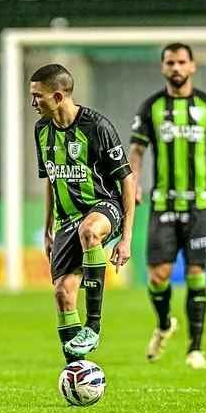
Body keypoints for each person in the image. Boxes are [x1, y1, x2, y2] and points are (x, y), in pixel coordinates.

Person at [128, 43, 206, 370]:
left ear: (192, 66)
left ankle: (195, 349)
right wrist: (133, 183)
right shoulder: (151, 107)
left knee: (197, 272)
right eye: (170, 62)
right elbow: (137, 152)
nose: (176, 68)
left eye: (182, 62)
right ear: (163, 67)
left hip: (200, 206)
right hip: (162, 204)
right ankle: (164, 323)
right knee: (159, 275)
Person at [30, 63, 136, 363]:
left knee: (89, 231)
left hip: (104, 206)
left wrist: (126, 238)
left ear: (59, 96)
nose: (33, 103)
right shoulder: (41, 131)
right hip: (66, 220)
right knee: (63, 294)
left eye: (38, 96)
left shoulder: (97, 127)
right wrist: (48, 227)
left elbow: (127, 180)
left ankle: (94, 324)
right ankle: (78, 371)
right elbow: (51, 178)